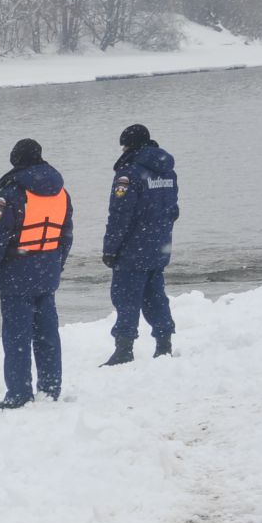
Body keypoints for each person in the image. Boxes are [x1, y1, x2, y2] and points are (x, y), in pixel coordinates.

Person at [0, 138, 72, 411]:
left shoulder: (12, 192)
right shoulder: (61, 192)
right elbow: (66, 236)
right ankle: (51, 388)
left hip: (17, 276)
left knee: (17, 338)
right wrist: (56, 264)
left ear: (16, 160)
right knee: (47, 335)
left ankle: (19, 394)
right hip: (47, 273)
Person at [101, 123, 180, 365]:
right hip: (158, 246)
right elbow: (173, 210)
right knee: (155, 295)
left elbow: (119, 215)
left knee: (126, 298)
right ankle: (164, 344)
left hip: (132, 249)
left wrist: (110, 249)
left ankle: (124, 349)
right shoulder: (168, 172)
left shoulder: (129, 174)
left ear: (129, 145)